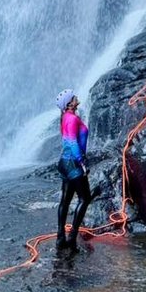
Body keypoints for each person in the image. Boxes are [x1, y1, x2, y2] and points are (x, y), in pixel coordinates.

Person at [55, 89, 93, 249]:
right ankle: (71, 237)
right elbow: (72, 142)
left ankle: (60, 237)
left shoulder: (65, 117)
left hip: (64, 163)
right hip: (72, 164)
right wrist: (82, 162)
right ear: (70, 103)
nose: (77, 97)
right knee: (85, 198)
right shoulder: (71, 119)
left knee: (65, 200)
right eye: (74, 96)